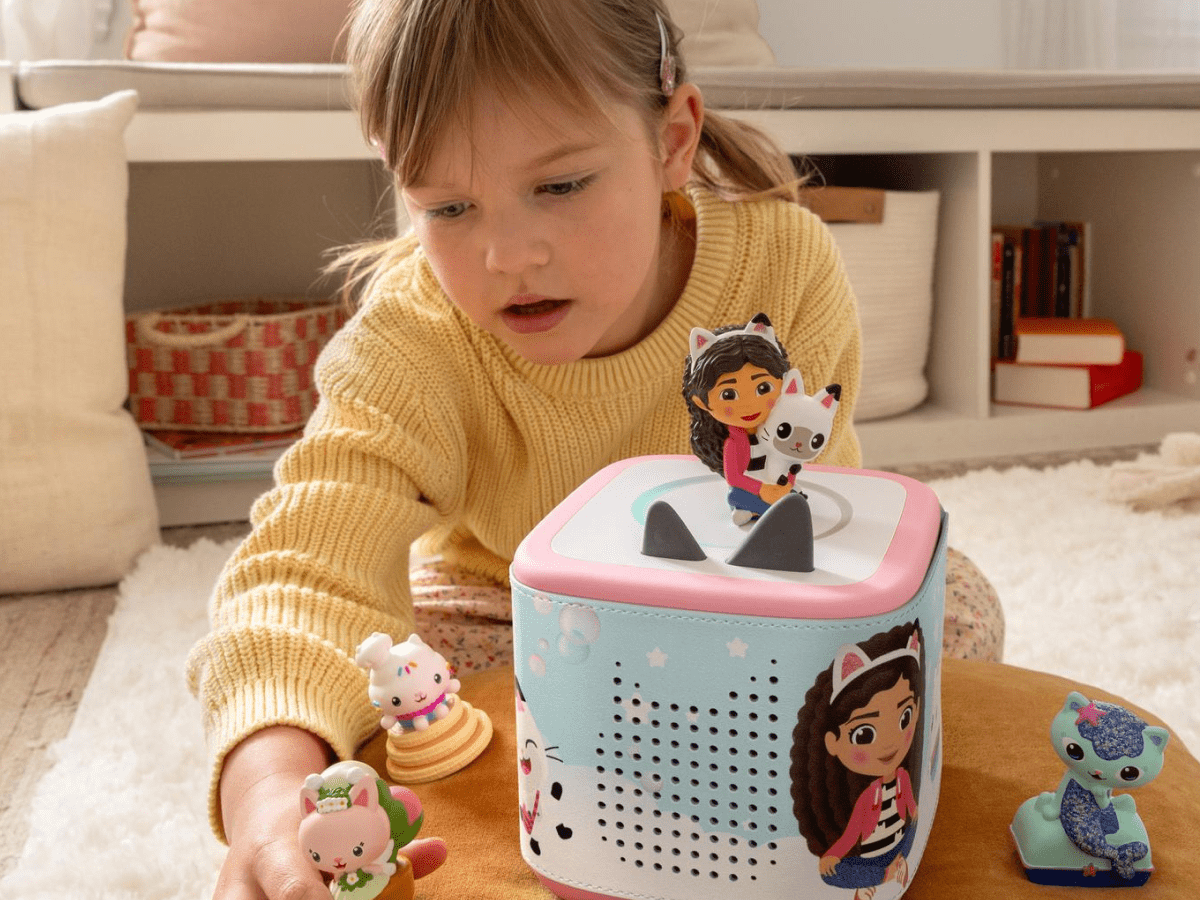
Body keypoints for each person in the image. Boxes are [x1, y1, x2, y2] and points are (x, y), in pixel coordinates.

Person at [186, 2, 1000, 898]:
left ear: (671, 142)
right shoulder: (410, 341)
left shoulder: (785, 264)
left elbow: (823, 525)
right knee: (381, 682)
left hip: (749, 599)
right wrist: (267, 789)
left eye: (562, 185)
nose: (508, 254)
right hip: (506, 599)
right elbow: (305, 573)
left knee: (952, 607)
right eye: (447, 207)